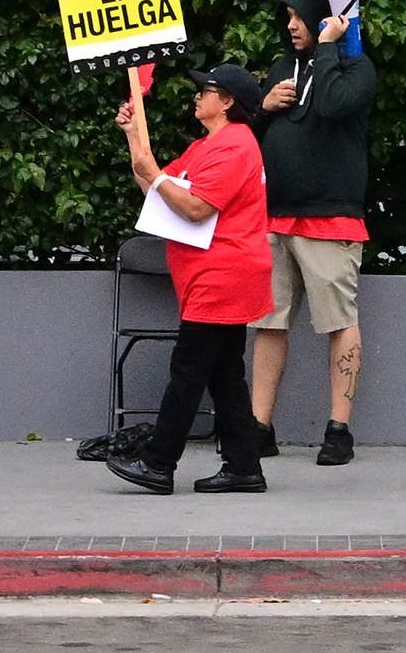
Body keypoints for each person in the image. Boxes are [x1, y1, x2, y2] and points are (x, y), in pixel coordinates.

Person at [105, 62, 275, 497]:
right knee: (224, 375)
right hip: (218, 275)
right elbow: (157, 188)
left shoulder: (234, 146)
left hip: (221, 276)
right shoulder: (209, 146)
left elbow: (197, 208)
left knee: (188, 370)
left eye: (207, 90)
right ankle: (243, 467)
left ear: (228, 102)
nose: (198, 96)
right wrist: (134, 139)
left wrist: (154, 173)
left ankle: (158, 463)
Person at [249, 0, 373, 466]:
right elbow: (249, 134)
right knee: (268, 322)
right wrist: (263, 108)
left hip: (330, 219)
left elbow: (332, 103)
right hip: (275, 217)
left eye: (300, 16)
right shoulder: (283, 69)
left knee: (339, 322)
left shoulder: (357, 68)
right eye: (289, 18)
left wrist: (327, 47)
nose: (291, 25)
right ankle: (259, 427)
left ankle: (339, 429)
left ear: (324, 19)